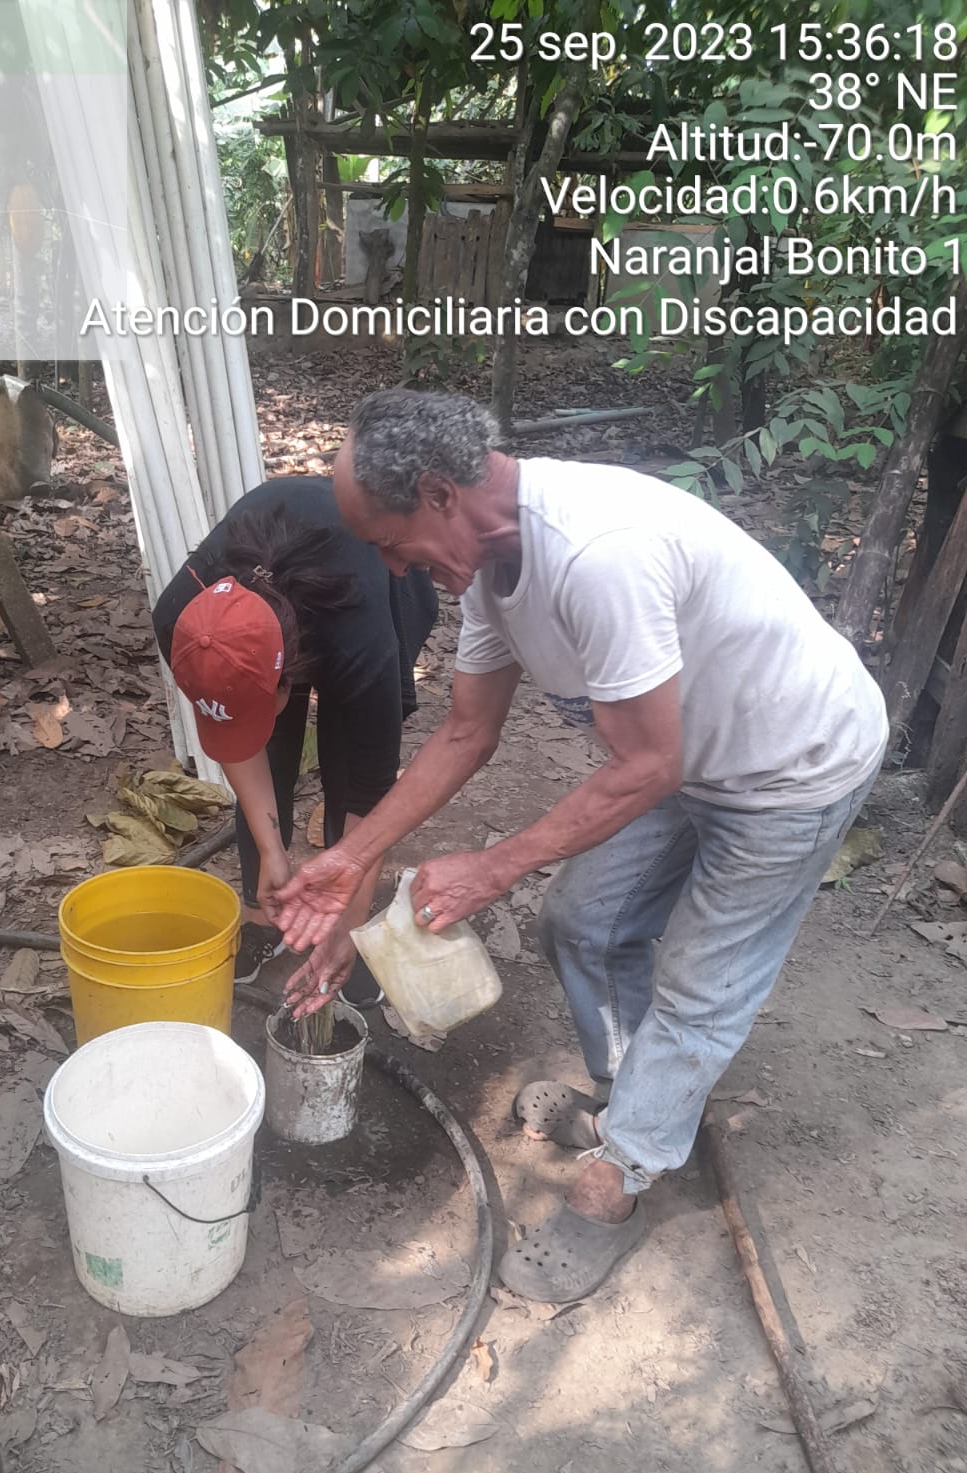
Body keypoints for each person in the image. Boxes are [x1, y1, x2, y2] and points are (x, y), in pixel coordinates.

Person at [277, 388, 888, 1303]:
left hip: (791, 766)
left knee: (701, 985)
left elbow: (647, 764)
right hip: (686, 760)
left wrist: (495, 865)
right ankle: (640, 1103)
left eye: (390, 542)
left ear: (439, 494)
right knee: (582, 923)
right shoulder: (488, 567)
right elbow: (466, 733)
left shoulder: (597, 555)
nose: (393, 568)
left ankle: (617, 1183)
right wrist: (349, 859)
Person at [152, 476, 437, 1008]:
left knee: (348, 769)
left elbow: (370, 796)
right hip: (276, 585)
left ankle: (343, 931)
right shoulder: (180, 619)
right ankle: (263, 914)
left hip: (365, 583)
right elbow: (237, 740)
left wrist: (344, 923)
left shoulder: (362, 647)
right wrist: (270, 850)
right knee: (270, 751)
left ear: (289, 680)